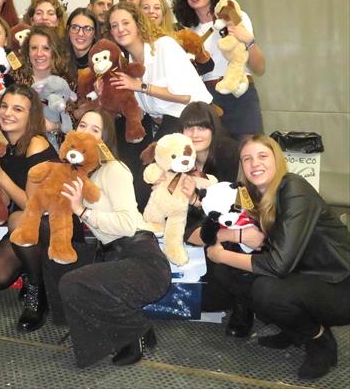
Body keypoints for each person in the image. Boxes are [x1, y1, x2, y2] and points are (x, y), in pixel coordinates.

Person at [206, 135, 350, 380]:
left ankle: (319, 340)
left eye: (262, 156)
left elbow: (277, 264)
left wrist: (222, 255)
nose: (255, 164)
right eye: (247, 158)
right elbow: (210, 230)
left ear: (277, 160)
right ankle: (294, 330)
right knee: (229, 274)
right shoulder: (251, 195)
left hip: (338, 282)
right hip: (302, 274)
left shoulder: (294, 188)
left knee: (266, 290)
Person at [47, 108, 171, 368]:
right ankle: (133, 327)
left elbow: (127, 225)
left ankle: (133, 332)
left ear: (105, 138)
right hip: (115, 257)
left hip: (142, 261)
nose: (87, 133)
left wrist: (82, 210)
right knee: (57, 265)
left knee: (74, 283)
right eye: (82, 126)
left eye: (96, 129)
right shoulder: (84, 174)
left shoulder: (114, 168)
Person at [106, 1, 212, 210]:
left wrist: (140, 86)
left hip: (192, 117)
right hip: (163, 121)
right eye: (114, 25)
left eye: (125, 22)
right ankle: (127, 214)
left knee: (149, 169)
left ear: (138, 23)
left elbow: (184, 96)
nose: (120, 29)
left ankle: (142, 219)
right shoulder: (127, 61)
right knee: (129, 158)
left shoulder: (164, 45)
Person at [0, 84, 61, 332]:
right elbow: (2, 199)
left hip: (55, 226)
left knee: (18, 219)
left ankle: (37, 290)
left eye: (17, 109)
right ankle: (34, 267)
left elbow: (32, 206)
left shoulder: (37, 145)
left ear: (30, 115)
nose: (7, 113)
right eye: (4, 106)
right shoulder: (2, 144)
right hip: (26, 232)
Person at [172, 0, 266, 140]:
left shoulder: (235, 16)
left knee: (248, 149)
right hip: (207, 98)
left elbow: (259, 67)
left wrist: (249, 40)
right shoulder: (185, 31)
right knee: (215, 157)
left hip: (240, 92)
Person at [175, 102, 245, 311]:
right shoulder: (179, 155)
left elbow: (230, 205)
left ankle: (243, 304)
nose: (195, 134)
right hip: (200, 223)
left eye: (202, 127)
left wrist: (196, 199)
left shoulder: (229, 152)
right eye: (189, 127)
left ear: (213, 129)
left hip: (233, 223)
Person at [13, 26, 76, 148]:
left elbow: (71, 122)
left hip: (55, 151)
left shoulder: (66, 82)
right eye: (34, 48)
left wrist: (54, 126)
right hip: (20, 147)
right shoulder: (16, 77)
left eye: (46, 48)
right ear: (27, 51)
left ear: (54, 52)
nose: (39, 54)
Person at [65, 7, 99, 77]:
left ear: (95, 33)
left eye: (87, 29)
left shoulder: (102, 62)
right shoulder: (59, 59)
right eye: (75, 27)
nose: (80, 33)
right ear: (68, 30)